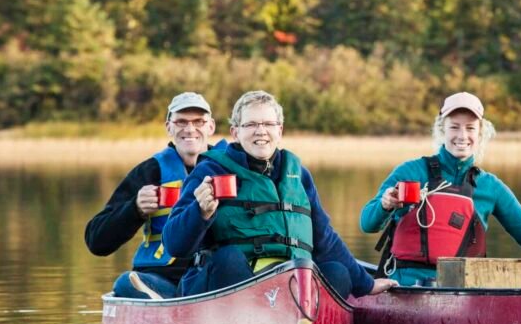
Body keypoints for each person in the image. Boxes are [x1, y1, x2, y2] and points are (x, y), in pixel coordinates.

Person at [162, 90, 394, 299]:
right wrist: (200, 211)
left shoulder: (298, 175)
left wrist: (366, 284)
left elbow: (325, 238)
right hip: (231, 287)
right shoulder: (210, 171)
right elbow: (174, 244)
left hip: (289, 288)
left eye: (268, 124)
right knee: (228, 258)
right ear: (235, 132)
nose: (260, 131)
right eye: (251, 124)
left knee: (337, 273)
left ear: (279, 130)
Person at [359, 91, 521, 286]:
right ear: (442, 130)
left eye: (470, 128)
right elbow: (367, 223)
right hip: (403, 287)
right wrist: (385, 205)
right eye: (454, 127)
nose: (462, 136)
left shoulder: (490, 187)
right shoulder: (411, 171)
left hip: (461, 294)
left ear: (480, 133)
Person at [85, 92, 219, 299]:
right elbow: (97, 241)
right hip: (162, 279)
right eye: (181, 122)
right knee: (125, 283)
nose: (190, 129)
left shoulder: (230, 167)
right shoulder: (150, 172)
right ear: (169, 127)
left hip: (212, 276)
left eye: (198, 122)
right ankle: (162, 303)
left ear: (211, 126)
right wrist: (135, 209)